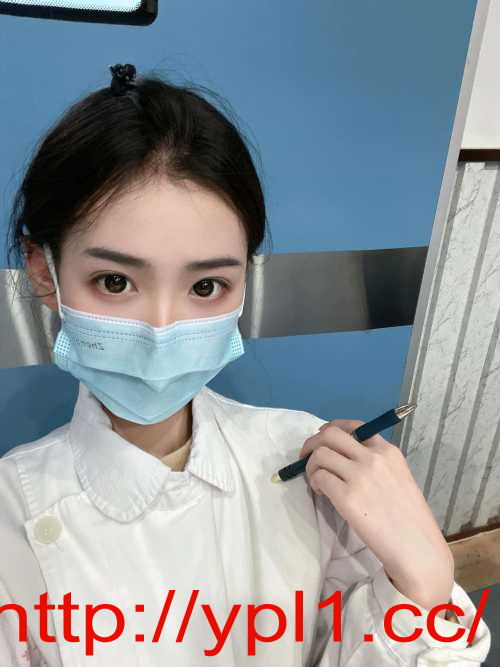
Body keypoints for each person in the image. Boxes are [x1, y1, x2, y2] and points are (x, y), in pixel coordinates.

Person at [0, 63, 491, 666]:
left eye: (205, 287)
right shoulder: (10, 515)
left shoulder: (307, 462)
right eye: (115, 281)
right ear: (44, 271)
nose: (162, 330)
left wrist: (426, 581)